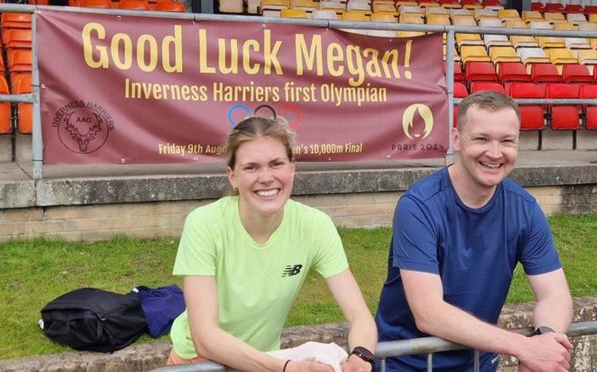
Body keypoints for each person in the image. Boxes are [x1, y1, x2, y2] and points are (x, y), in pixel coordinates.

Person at [375, 91, 574, 371]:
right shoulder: (419, 206)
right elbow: (429, 313)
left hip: (477, 364)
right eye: (481, 139)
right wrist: (523, 347)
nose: (494, 153)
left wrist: (546, 338)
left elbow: (556, 295)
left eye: (507, 141)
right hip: (409, 364)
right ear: (456, 139)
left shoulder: (525, 208)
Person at [168, 116, 377, 371]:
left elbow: (360, 316)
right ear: (232, 176)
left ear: (292, 168)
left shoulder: (316, 225)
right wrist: (289, 368)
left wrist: (361, 356)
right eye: (251, 167)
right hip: (200, 364)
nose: (266, 177)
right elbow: (205, 338)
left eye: (276, 163)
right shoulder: (204, 224)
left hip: (264, 360)